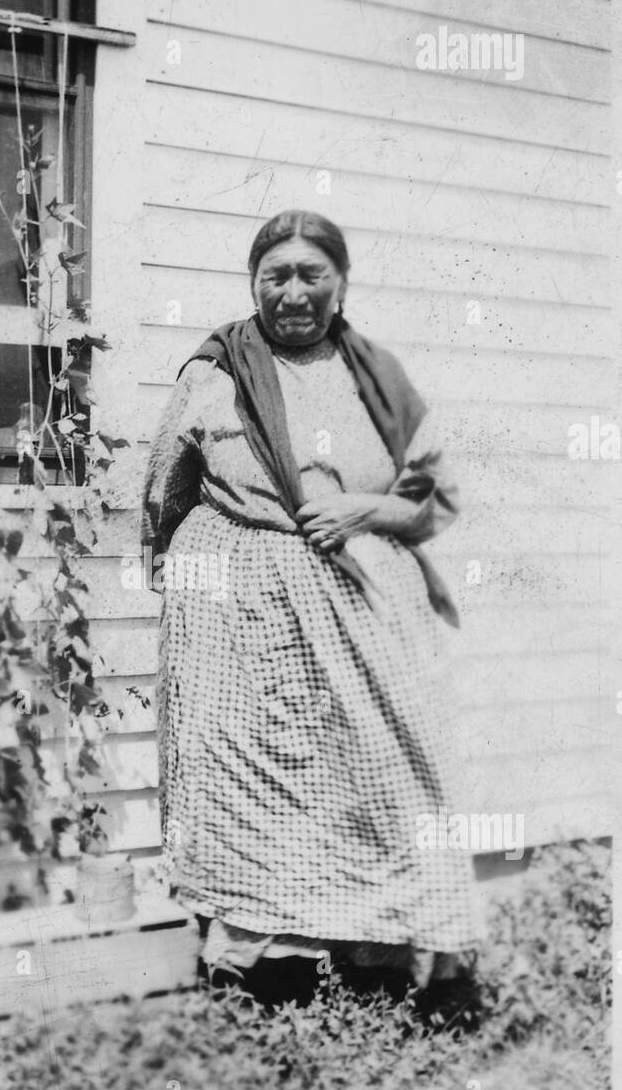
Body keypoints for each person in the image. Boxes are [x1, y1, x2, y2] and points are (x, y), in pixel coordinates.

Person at [141, 209, 479, 1009]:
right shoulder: (212, 374)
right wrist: (193, 578)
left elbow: (434, 500)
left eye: (310, 274)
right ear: (252, 283)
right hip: (234, 608)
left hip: (356, 599)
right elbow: (165, 488)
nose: (292, 292)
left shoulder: (377, 377)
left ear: (340, 282)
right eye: (275, 276)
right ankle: (265, 969)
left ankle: (387, 955)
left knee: (384, 768)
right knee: (245, 776)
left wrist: (361, 512)